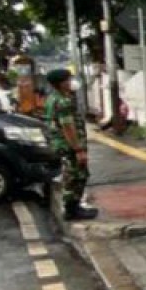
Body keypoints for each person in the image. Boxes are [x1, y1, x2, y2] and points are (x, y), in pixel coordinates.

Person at [44, 69, 98, 221]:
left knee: (72, 174)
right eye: (68, 79)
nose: (71, 82)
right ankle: (72, 209)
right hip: (69, 145)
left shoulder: (53, 99)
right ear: (61, 83)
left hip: (61, 144)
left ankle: (73, 207)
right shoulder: (63, 102)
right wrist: (78, 149)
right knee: (76, 176)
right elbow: (68, 127)